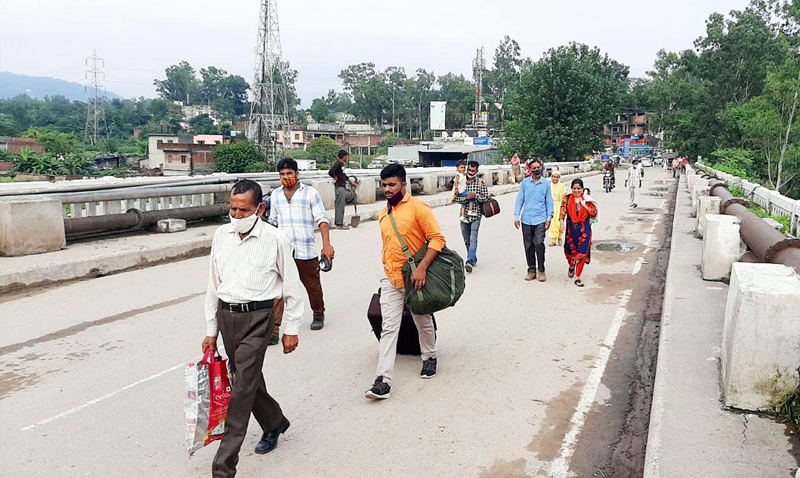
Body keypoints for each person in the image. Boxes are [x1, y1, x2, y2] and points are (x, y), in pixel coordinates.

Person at [201, 180, 305, 477]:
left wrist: (291, 328)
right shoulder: (221, 235)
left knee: (241, 388)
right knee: (247, 378)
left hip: (259, 319)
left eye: (243, 209)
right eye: (232, 208)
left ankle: (223, 467)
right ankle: (274, 422)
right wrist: (211, 329)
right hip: (227, 317)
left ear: (259, 208)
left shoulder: (276, 239)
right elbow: (213, 285)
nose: (236, 214)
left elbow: (293, 288)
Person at [365, 164, 445, 400]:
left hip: (416, 277)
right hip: (391, 277)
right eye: (384, 185)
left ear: (403, 184)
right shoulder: (383, 213)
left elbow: (437, 239)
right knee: (389, 327)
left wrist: (421, 269)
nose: (387, 189)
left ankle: (429, 356)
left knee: (422, 320)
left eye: (392, 184)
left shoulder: (419, 208)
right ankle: (383, 380)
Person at [268, 158, 334, 335]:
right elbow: (273, 222)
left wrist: (326, 245)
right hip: (283, 252)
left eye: (289, 173)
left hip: (306, 251)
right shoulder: (275, 195)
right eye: (282, 174)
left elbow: (322, 219)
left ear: (297, 174)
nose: (286, 177)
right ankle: (274, 330)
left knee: (312, 286)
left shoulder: (310, 193)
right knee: (278, 291)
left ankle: (318, 314)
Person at [514, 159, 554, 282]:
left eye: (538, 167)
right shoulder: (525, 183)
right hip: (526, 219)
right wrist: (516, 216)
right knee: (528, 245)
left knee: (538, 243)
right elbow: (520, 200)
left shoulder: (546, 183)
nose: (536, 169)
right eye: (533, 168)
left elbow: (549, 202)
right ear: (530, 170)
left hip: (540, 218)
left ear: (541, 168)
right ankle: (531, 270)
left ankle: (541, 270)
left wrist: (549, 218)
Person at [560, 178, 599, 287]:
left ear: (582, 189)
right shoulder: (567, 198)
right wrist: (561, 223)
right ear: (571, 188)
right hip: (571, 228)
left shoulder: (587, 199)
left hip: (584, 229)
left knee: (582, 251)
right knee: (569, 250)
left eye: (578, 189)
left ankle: (578, 277)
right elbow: (562, 211)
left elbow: (594, 213)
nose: (576, 191)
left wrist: (585, 205)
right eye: (574, 189)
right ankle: (571, 265)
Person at [454, 161, 489, 273]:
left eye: (473, 171)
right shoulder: (461, 181)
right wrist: (467, 198)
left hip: (476, 214)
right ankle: (472, 257)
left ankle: (469, 261)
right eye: (469, 170)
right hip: (464, 216)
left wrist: (476, 196)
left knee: (473, 238)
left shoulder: (480, 182)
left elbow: (485, 198)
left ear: (476, 171)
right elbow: (457, 198)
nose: (470, 172)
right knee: (466, 239)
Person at [328, 149, 357, 230]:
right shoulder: (338, 163)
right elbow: (331, 172)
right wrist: (335, 178)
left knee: (341, 205)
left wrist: (351, 182)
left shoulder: (341, 164)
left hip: (342, 186)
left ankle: (340, 222)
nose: (347, 157)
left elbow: (344, 175)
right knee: (340, 205)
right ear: (344, 156)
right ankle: (339, 224)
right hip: (339, 186)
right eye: (346, 156)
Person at [547, 170, 567, 246]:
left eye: (557, 177)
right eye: (554, 177)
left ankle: (559, 237)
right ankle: (553, 240)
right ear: (551, 177)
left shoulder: (562, 186)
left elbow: (564, 197)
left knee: (559, 222)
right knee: (552, 223)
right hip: (550, 206)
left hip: (559, 206)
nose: (555, 178)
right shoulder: (548, 186)